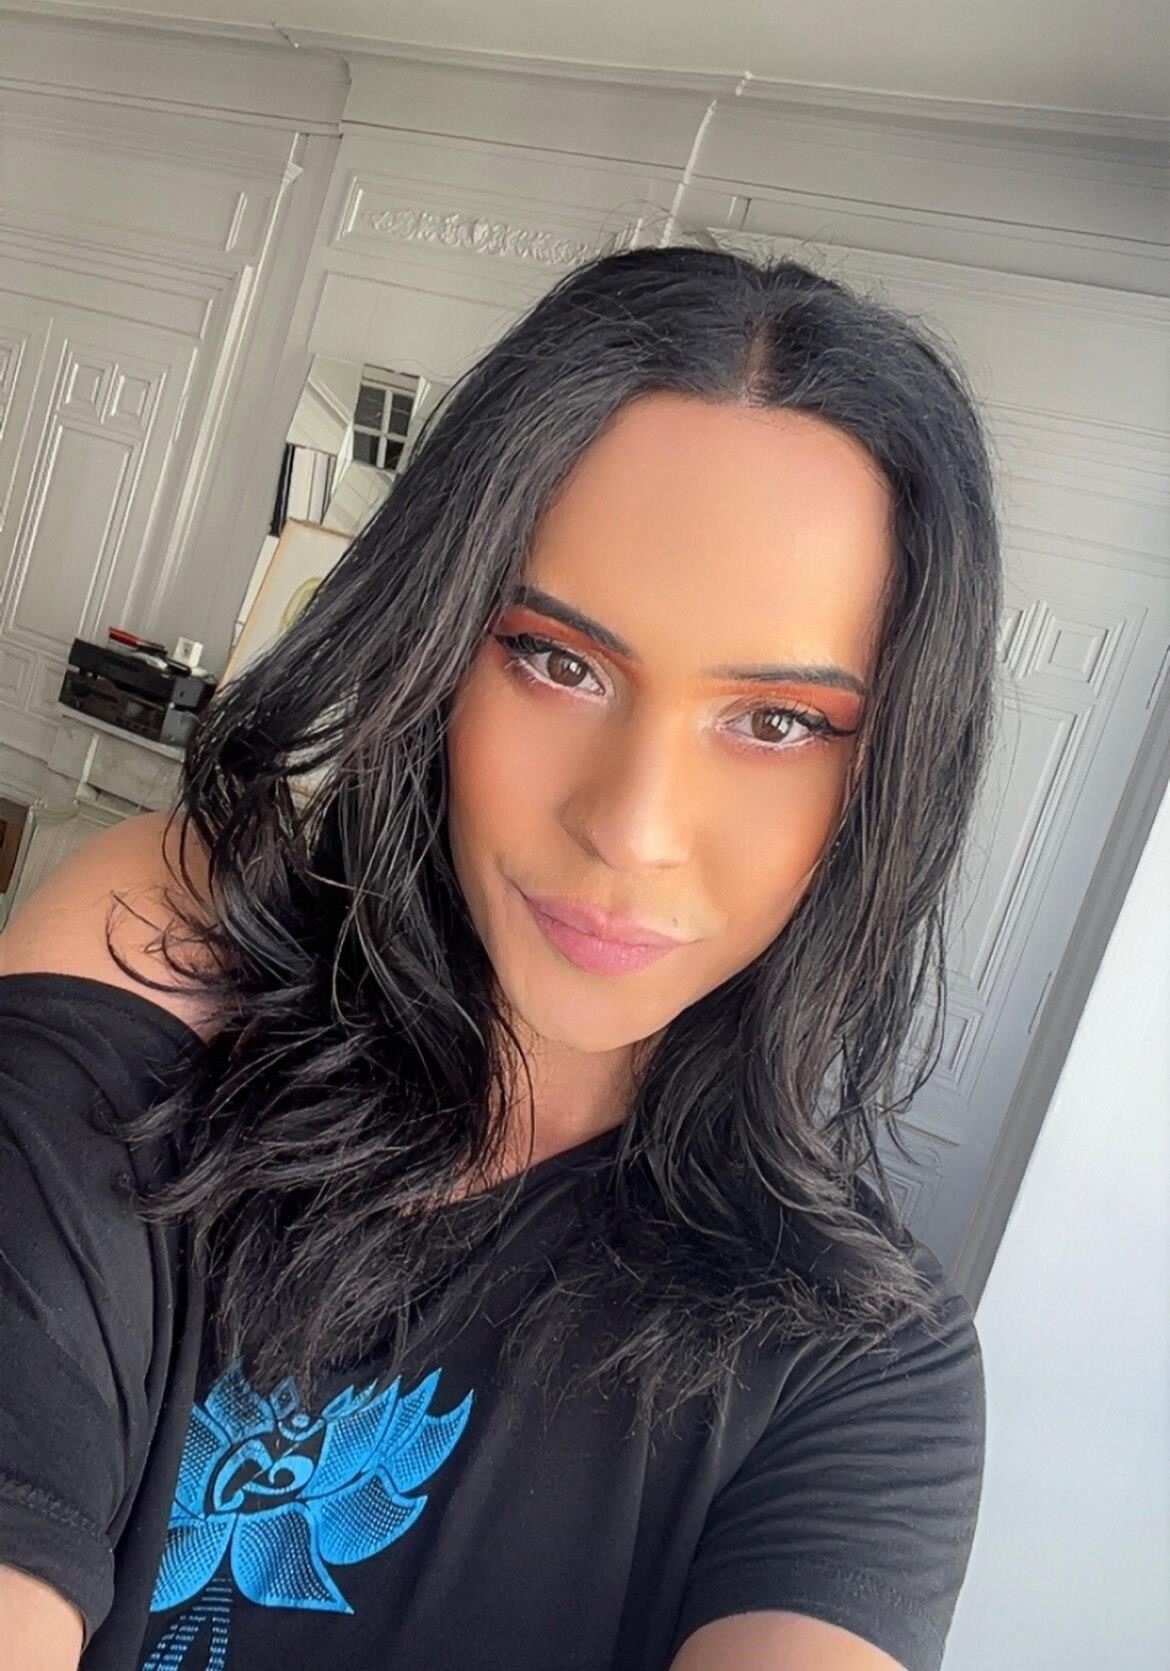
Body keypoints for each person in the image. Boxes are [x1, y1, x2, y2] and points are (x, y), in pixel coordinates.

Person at [0, 244, 1000, 1671]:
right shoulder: (179, 946)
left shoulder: (855, 1363)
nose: (630, 828)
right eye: (555, 660)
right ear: (438, 644)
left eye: (776, 722)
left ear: (887, 774)